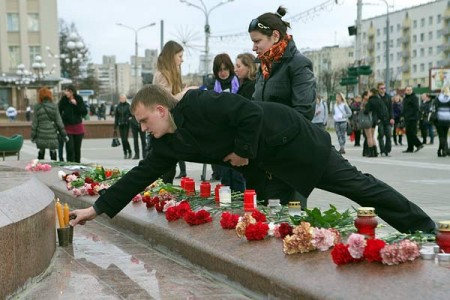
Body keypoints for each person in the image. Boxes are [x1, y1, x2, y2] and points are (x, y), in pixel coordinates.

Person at [69, 85, 436, 235]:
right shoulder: (166, 145)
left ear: (161, 110)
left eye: (145, 120)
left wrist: (242, 152)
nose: (144, 128)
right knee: (272, 216)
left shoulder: (198, 103)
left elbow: (248, 113)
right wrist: (96, 209)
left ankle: (425, 229)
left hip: (293, 142)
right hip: (266, 164)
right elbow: (141, 175)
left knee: (357, 187)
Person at [248, 6, 317, 207]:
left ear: (275, 36)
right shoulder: (264, 66)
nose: (253, 47)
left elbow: (303, 113)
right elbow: (256, 107)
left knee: (292, 220)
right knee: (268, 219)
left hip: (291, 157)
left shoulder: (299, 65)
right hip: (267, 156)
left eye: (257, 41)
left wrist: (274, 139)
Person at [153, 40, 197, 180]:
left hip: (170, 125)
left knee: (169, 169)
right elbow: (166, 101)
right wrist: (185, 92)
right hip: (164, 127)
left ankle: (164, 198)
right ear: (171, 56)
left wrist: (183, 91)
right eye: (179, 56)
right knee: (166, 170)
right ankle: (162, 199)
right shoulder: (162, 75)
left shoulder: (171, 74)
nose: (182, 60)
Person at [212, 53, 245, 192]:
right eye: (219, 69)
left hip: (237, 134)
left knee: (238, 174)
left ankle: (241, 205)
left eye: (225, 68)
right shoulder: (212, 85)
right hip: (221, 134)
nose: (223, 72)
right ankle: (226, 208)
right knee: (225, 174)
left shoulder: (239, 82)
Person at [31, 88, 67, 160]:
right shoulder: (54, 106)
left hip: (40, 134)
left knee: (41, 150)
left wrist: (33, 136)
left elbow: (35, 123)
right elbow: (59, 122)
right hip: (52, 134)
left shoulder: (37, 107)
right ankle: (53, 167)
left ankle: (40, 166)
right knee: (53, 150)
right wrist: (64, 134)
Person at [59, 85, 87, 163]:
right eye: (65, 91)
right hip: (68, 128)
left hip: (78, 128)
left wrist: (76, 105)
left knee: (77, 149)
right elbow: (58, 111)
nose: (66, 92)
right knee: (70, 149)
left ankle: (77, 164)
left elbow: (84, 112)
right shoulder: (63, 100)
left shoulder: (79, 99)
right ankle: (70, 165)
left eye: (67, 91)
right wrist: (62, 121)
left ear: (72, 92)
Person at [364, 88, 389, 157]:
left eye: (369, 92)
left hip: (369, 120)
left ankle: (371, 152)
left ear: (372, 93)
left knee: (369, 137)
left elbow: (366, 111)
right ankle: (375, 152)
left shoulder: (371, 101)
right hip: (376, 120)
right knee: (372, 136)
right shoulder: (379, 100)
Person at [402, 86, 424, 153]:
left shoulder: (414, 98)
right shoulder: (405, 98)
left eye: (410, 90)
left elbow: (416, 108)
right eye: (407, 90)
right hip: (407, 117)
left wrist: (412, 115)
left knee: (410, 132)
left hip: (412, 118)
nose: (409, 91)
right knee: (408, 133)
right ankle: (410, 148)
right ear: (405, 91)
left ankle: (419, 144)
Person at [377, 82, 393, 156]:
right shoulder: (377, 97)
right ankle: (382, 151)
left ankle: (387, 150)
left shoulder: (388, 97)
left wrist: (392, 118)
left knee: (389, 135)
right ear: (378, 89)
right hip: (380, 119)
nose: (383, 90)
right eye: (381, 88)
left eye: (384, 88)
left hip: (387, 119)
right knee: (381, 135)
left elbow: (391, 108)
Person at [114, 95, 132, 159]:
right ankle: (125, 153)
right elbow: (116, 117)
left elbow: (131, 114)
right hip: (120, 124)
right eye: (121, 98)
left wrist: (129, 118)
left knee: (125, 139)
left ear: (125, 99)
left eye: (123, 98)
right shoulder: (118, 106)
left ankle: (129, 151)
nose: (122, 99)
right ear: (119, 99)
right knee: (122, 140)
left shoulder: (128, 106)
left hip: (126, 124)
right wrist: (115, 127)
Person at [435, 86, 450, 157]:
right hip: (448, 118)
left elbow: (435, 108)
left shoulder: (437, 98)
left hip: (439, 118)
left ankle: (442, 150)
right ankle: (444, 150)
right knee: (445, 135)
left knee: (441, 136)